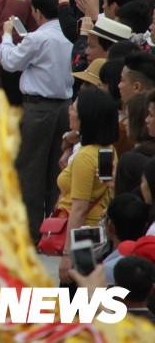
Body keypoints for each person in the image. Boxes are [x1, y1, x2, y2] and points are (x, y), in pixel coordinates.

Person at [0, 0, 74, 242]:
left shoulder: (37, 38)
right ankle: (54, 233)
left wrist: (7, 36)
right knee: (58, 172)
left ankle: (30, 234)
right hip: (64, 108)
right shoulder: (68, 33)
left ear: (36, 12)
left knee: (30, 170)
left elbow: (10, 62)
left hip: (39, 109)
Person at [55, 89, 119, 283]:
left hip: (81, 239)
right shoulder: (108, 148)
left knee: (73, 299)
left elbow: (79, 209)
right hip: (95, 233)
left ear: (86, 118)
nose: (69, 111)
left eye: (74, 109)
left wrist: (68, 254)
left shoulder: (85, 156)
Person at [103, 194, 150, 283]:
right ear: (145, 225)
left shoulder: (109, 269)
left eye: (104, 216)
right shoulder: (149, 259)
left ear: (110, 225)